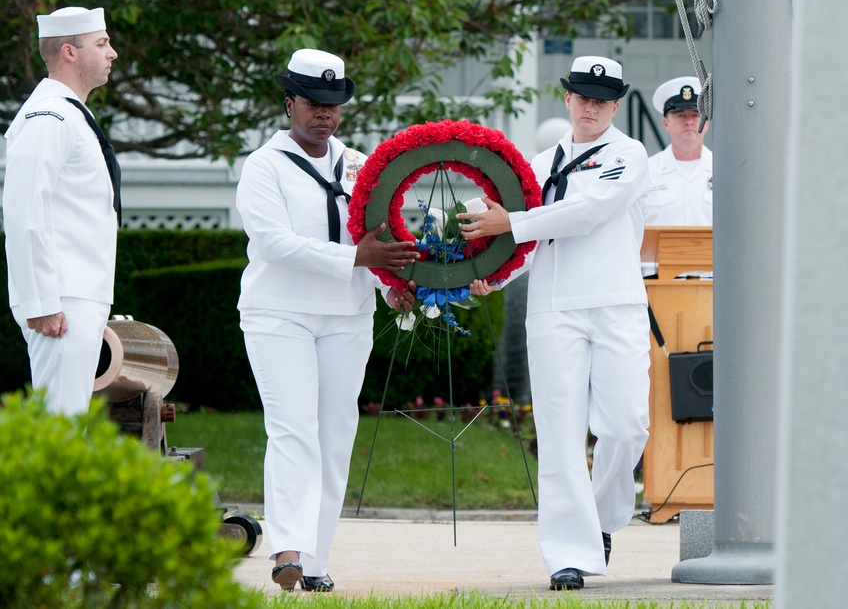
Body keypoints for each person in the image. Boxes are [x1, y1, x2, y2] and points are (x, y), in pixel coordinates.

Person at [458, 56, 651, 591]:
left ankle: (601, 517)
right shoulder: (537, 166)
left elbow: (586, 211)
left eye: (601, 100)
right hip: (553, 307)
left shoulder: (629, 155)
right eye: (581, 97)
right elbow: (521, 241)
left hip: (615, 303)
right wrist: (490, 277)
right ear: (566, 99)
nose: (589, 107)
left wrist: (511, 222)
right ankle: (568, 553)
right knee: (560, 432)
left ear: (615, 106)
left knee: (626, 425)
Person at [236, 49, 418, 592]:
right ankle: (286, 548)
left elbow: (380, 238)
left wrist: (394, 286)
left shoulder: (362, 164)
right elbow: (274, 244)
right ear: (288, 101)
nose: (325, 115)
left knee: (335, 435)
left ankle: (314, 559)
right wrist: (357, 260)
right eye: (314, 104)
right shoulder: (263, 166)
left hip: (347, 315)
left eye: (334, 106)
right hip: (280, 313)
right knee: (293, 429)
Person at [3, 6, 121, 416]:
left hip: (74, 292)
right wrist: (40, 300)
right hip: (61, 297)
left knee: (70, 424)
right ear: (69, 52)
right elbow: (23, 211)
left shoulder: (67, 113)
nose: (113, 53)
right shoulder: (49, 116)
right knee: (61, 425)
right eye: (102, 43)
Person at [643, 76, 713, 226]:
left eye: (695, 115)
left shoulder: (724, 171)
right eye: (680, 115)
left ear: (706, 123)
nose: (688, 121)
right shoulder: (646, 171)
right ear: (666, 123)